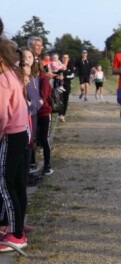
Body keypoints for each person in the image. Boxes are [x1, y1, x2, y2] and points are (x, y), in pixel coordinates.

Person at [0, 20, 30, 252]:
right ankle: (17, 225)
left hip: (9, 134)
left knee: (5, 183)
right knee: (18, 182)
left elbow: (1, 114)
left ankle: (16, 234)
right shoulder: (11, 73)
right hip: (20, 132)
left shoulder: (2, 78)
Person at [36, 61, 53, 175]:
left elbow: (42, 98)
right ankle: (32, 163)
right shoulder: (29, 79)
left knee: (44, 138)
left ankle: (47, 165)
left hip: (43, 113)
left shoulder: (43, 80)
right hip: (32, 113)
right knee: (34, 139)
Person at [57, 54, 74, 122]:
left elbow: (72, 76)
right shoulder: (58, 65)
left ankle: (63, 115)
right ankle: (60, 114)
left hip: (67, 85)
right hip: (59, 85)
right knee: (60, 100)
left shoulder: (70, 66)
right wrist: (58, 77)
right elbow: (54, 73)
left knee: (65, 100)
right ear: (62, 58)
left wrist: (65, 77)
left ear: (68, 59)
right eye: (64, 57)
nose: (65, 59)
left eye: (66, 57)